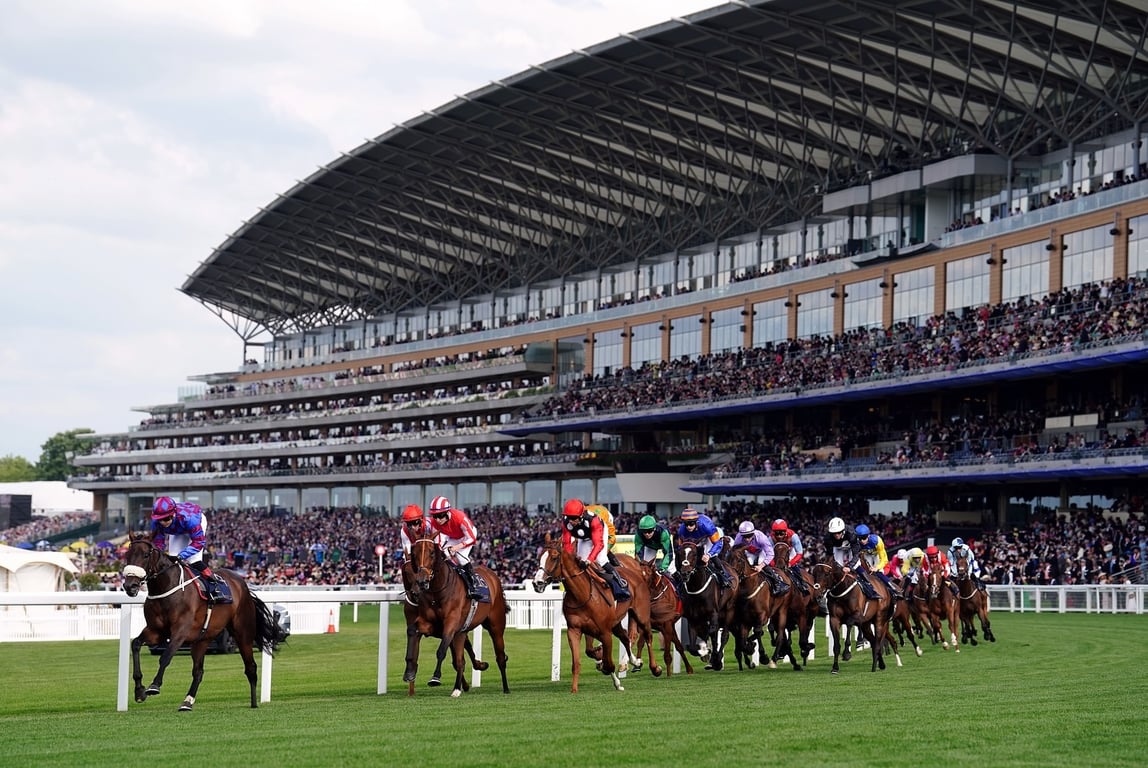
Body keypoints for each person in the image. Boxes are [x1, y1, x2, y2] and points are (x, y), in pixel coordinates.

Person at [150, 496, 226, 604]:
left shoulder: (191, 520)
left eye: (166, 519)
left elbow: (198, 542)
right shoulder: (155, 522)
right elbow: (158, 543)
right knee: (172, 560)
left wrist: (182, 555)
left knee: (193, 560)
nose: (162, 522)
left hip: (194, 523)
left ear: (173, 514)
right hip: (177, 530)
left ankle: (216, 587)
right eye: (160, 519)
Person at [561, 499, 629, 599]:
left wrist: (589, 560)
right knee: (579, 562)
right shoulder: (566, 523)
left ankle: (620, 582)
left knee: (601, 560)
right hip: (584, 538)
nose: (571, 521)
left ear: (581, 516)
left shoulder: (593, 520)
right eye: (569, 517)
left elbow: (598, 545)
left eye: (574, 518)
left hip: (599, 533)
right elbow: (567, 544)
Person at [426, 495, 481, 599]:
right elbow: (438, 542)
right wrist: (442, 551)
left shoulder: (460, 518)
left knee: (461, 557)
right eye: (435, 516)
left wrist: (456, 548)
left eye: (440, 515)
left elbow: (472, 539)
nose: (437, 519)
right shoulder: (434, 522)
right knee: (442, 555)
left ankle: (473, 585)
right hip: (453, 536)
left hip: (467, 536)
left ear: (447, 512)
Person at [674, 506, 732, 589]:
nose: (688, 527)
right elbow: (681, 547)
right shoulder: (682, 530)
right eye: (686, 524)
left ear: (696, 522)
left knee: (710, 556)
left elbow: (717, 543)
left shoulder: (707, 526)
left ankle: (725, 577)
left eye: (691, 524)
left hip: (710, 536)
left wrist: (708, 555)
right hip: (696, 539)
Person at [731, 520, 788, 595]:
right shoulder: (739, 538)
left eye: (749, 536)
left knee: (760, 562)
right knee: (747, 563)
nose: (747, 539)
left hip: (761, 551)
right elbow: (735, 551)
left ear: (753, 533)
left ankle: (777, 582)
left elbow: (770, 553)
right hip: (749, 552)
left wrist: (761, 566)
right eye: (745, 536)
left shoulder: (761, 537)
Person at [770, 518, 808, 593]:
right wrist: (773, 565)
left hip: (790, 551)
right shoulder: (770, 538)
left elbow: (800, 553)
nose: (779, 536)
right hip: (776, 552)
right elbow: (768, 554)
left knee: (794, 567)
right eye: (776, 533)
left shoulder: (794, 536)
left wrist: (791, 563)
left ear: (786, 531)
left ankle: (802, 583)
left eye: (781, 533)